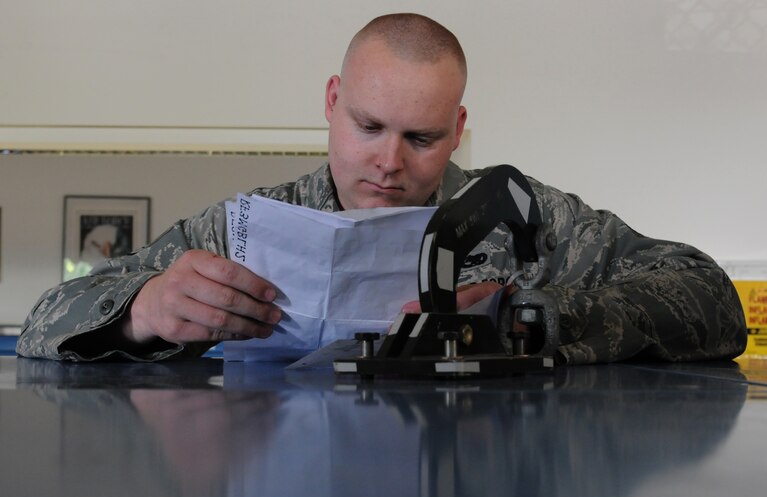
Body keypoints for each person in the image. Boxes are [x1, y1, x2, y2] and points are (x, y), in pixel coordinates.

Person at [17, 13, 746, 364]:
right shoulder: (247, 229)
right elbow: (44, 322)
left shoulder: (526, 219)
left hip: (467, 484)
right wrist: (141, 310)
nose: (387, 162)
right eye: (366, 125)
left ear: (457, 128)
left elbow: (706, 293)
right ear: (331, 101)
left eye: (420, 137)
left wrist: (534, 314)